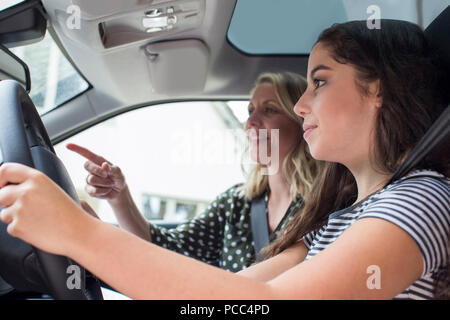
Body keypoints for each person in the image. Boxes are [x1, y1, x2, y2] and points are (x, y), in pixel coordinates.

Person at [0, 19, 449, 300]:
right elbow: (245, 289)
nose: (303, 105)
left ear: (377, 91)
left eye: (320, 82)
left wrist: (82, 235)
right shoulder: (338, 219)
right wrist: (83, 228)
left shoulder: (421, 200)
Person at [61, 71, 321, 272]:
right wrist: (120, 197)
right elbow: (167, 250)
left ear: (301, 121)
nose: (251, 122)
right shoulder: (236, 203)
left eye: (270, 109)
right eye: (250, 110)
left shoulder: (322, 208)